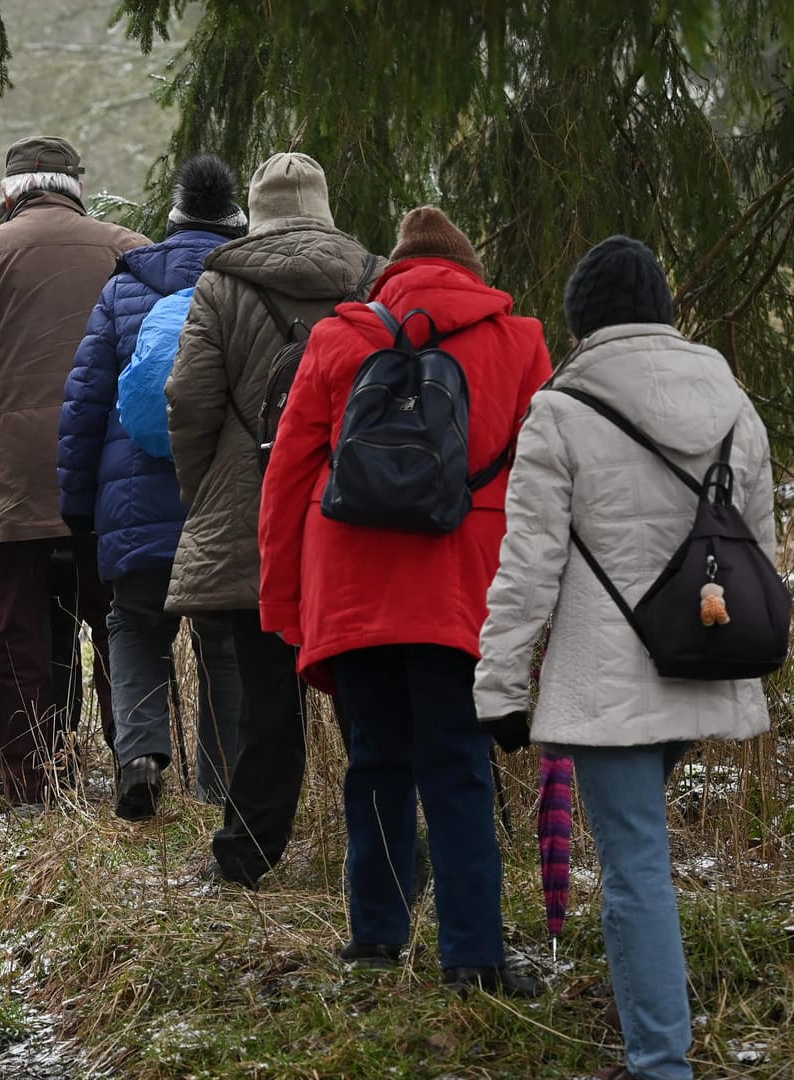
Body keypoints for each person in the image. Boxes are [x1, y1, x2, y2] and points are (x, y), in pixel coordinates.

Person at [476, 236, 774, 1079]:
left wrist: (499, 687)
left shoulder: (561, 410)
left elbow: (527, 567)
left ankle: (659, 1063)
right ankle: (658, 1043)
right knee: (645, 855)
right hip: (706, 656)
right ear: (665, 310)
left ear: (581, 323)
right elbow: (759, 547)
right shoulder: (732, 404)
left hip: (608, 681)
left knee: (637, 863)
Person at [258, 206, 552, 994]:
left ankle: (375, 944)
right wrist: (542, 616)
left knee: (375, 762)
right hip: (463, 587)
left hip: (349, 585)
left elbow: (286, 480)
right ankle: (473, 958)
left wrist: (286, 603)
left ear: (390, 271)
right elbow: (542, 487)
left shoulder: (337, 338)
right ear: (470, 271)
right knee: (459, 766)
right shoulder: (518, 341)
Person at [0, 135, 147, 809]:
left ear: (9, 194)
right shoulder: (128, 247)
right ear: (76, 188)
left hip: (11, 475)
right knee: (121, 622)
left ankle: (26, 784)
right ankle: (137, 763)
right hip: (111, 469)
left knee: (11, 631)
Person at [165, 152, 381, 867]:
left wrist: (208, 490)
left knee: (266, 697)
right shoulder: (371, 277)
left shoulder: (223, 283)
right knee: (364, 697)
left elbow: (189, 398)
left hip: (253, 508)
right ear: (324, 205)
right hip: (356, 507)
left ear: (255, 213)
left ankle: (249, 849)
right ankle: (381, 847)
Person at [58, 154, 247, 820]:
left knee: (134, 626)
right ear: (235, 224)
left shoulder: (126, 288)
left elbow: (83, 405)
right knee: (223, 639)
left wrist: (77, 504)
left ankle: (140, 757)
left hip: (135, 500)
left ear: (171, 222)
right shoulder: (248, 288)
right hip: (222, 503)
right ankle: (221, 788)